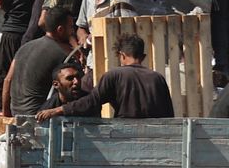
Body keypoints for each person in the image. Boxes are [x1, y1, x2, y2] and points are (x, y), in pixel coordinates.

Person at [39, 35, 173, 121]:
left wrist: (59, 110)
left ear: (122, 55)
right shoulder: (158, 78)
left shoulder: (114, 75)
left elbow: (91, 102)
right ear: (143, 57)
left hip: (125, 138)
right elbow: (169, 115)